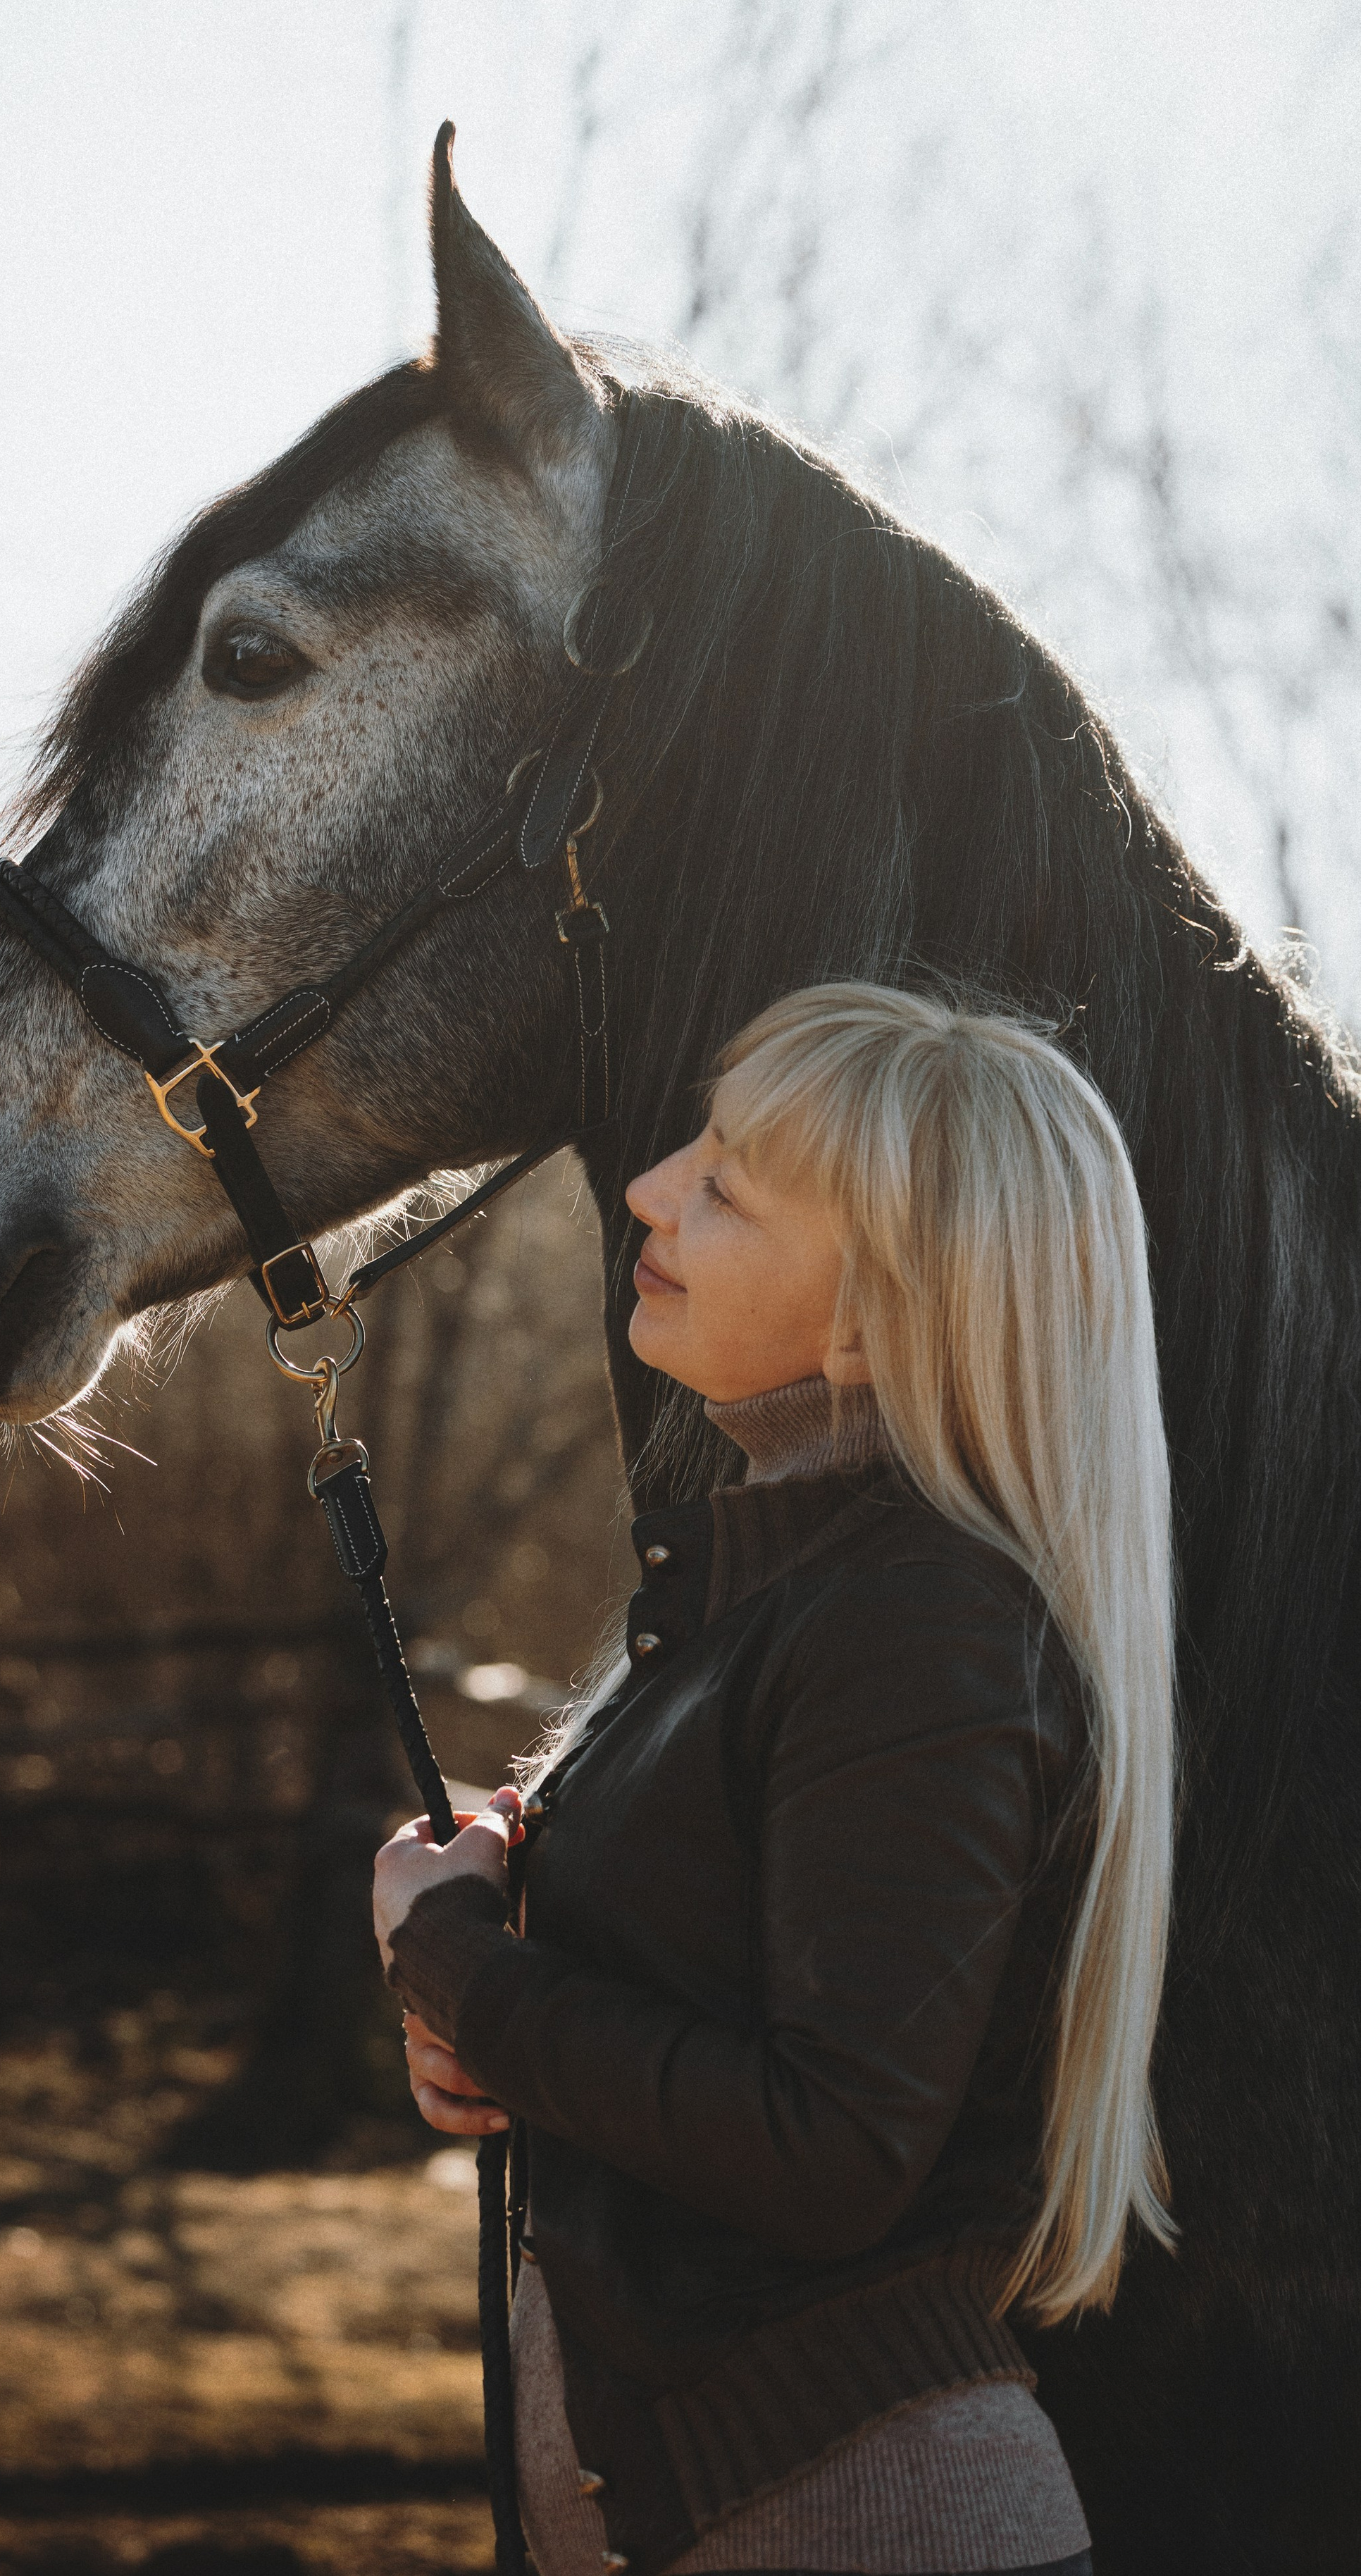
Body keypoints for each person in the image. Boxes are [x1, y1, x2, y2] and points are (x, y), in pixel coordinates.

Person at [372, 982, 1176, 2576]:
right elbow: (714, 1944)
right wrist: (495, 1896)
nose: (647, 1186)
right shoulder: (793, 1584)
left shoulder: (918, 1620)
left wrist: (452, 1959)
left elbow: (824, 2143)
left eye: (726, 1183)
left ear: (874, 1316)